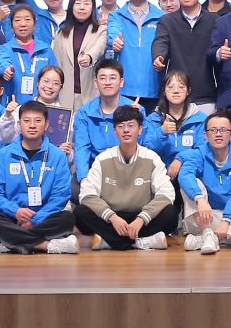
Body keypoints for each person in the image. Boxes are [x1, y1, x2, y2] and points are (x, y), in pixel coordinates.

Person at [74, 104, 179, 250]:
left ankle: (109, 241)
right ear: (114, 131)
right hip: (112, 218)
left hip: (141, 216)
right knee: (80, 212)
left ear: (140, 129)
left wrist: (141, 219)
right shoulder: (103, 159)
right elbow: (87, 194)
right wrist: (112, 217)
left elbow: (166, 194)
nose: (126, 130)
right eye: (121, 126)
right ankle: (140, 241)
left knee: (170, 214)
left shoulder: (152, 158)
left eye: (131, 125)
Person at [0, 100, 80, 254]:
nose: (32, 125)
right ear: (19, 125)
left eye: (38, 121)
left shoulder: (57, 155)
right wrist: (15, 211)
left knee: (67, 219)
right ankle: (45, 245)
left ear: (46, 125)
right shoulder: (4, 154)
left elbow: (61, 195)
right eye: (27, 121)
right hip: (12, 216)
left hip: (45, 216)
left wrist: (35, 219)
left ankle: (7, 243)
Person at [179, 110, 231, 253]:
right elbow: (185, 174)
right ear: (205, 135)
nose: (218, 134)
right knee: (191, 185)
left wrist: (226, 220)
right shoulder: (199, 153)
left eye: (223, 130)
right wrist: (200, 199)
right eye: (213, 130)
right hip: (206, 216)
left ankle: (209, 239)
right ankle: (208, 234)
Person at [152, 0, 220, 108]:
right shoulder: (167, 21)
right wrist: (159, 56)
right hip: (176, 94)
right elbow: (160, 41)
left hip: (206, 93)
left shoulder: (214, 20)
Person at [106, 0, 164, 106]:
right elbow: (113, 31)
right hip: (123, 90)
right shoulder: (116, 15)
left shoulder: (162, 17)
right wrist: (115, 41)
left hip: (155, 88)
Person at [71, 60, 134, 185]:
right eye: (103, 78)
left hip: (127, 168)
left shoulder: (134, 110)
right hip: (95, 168)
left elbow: (142, 147)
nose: (107, 82)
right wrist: (84, 178)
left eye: (112, 78)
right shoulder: (84, 112)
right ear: (96, 83)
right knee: (75, 189)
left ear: (121, 82)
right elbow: (82, 147)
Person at [50, 0, 109, 111]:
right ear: (71, 7)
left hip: (91, 94)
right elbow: (57, 65)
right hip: (65, 95)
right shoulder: (61, 33)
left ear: (93, 8)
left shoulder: (101, 30)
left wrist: (89, 57)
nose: (82, 7)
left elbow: (100, 47)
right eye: (77, 3)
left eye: (86, 3)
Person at [0, 4, 57, 108]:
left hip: (41, 106)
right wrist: (6, 70)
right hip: (13, 106)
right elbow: (3, 62)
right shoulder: (6, 48)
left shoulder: (46, 49)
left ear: (35, 24)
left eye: (27, 19)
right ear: (11, 25)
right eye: (17, 20)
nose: (23, 24)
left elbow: (55, 74)